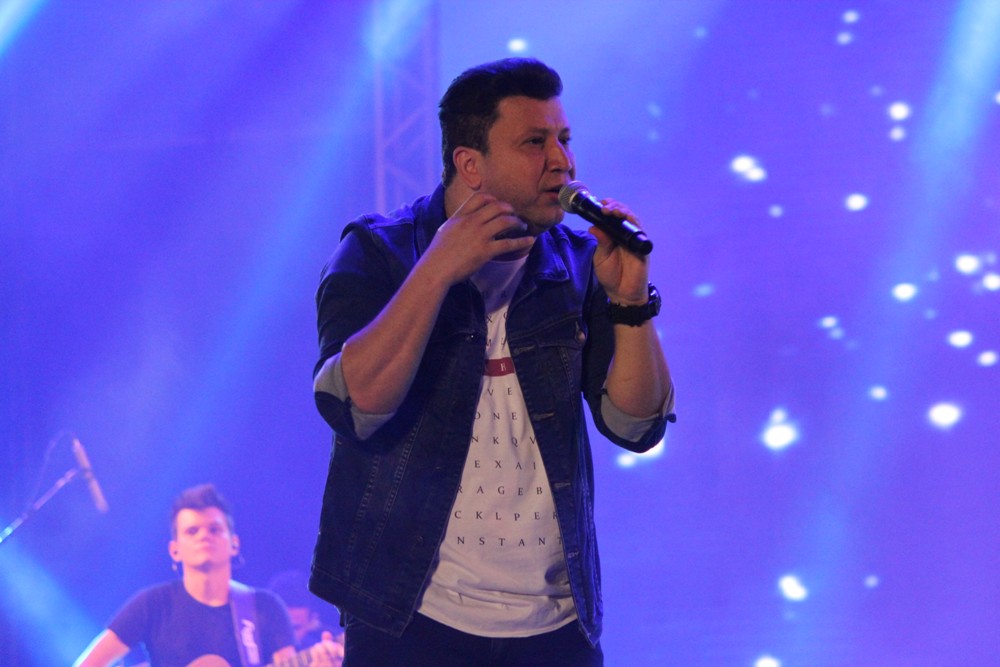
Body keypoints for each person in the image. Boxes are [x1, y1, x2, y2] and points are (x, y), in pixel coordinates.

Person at [310, 57, 675, 666]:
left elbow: (636, 427)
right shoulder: (377, 253)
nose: (562, 162)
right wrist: (436, 270)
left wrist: (631, 302)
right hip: (408, 616)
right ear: (470, 164)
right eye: (535, 143)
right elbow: (354, 407)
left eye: (564, 139)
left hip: (555, 626)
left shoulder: (579, 263)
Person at [73, 484, 342, 667]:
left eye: (214, 529)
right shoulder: (152, 605)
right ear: (174, 550)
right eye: (192, 531)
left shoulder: (265, 607)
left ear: (234, 543)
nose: (204, 536)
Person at [267, 569, 345, 651]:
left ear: (313, 621)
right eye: (279, 630)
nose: (285, 638)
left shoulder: (325, 644)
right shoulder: (260, 648)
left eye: (294, 629)